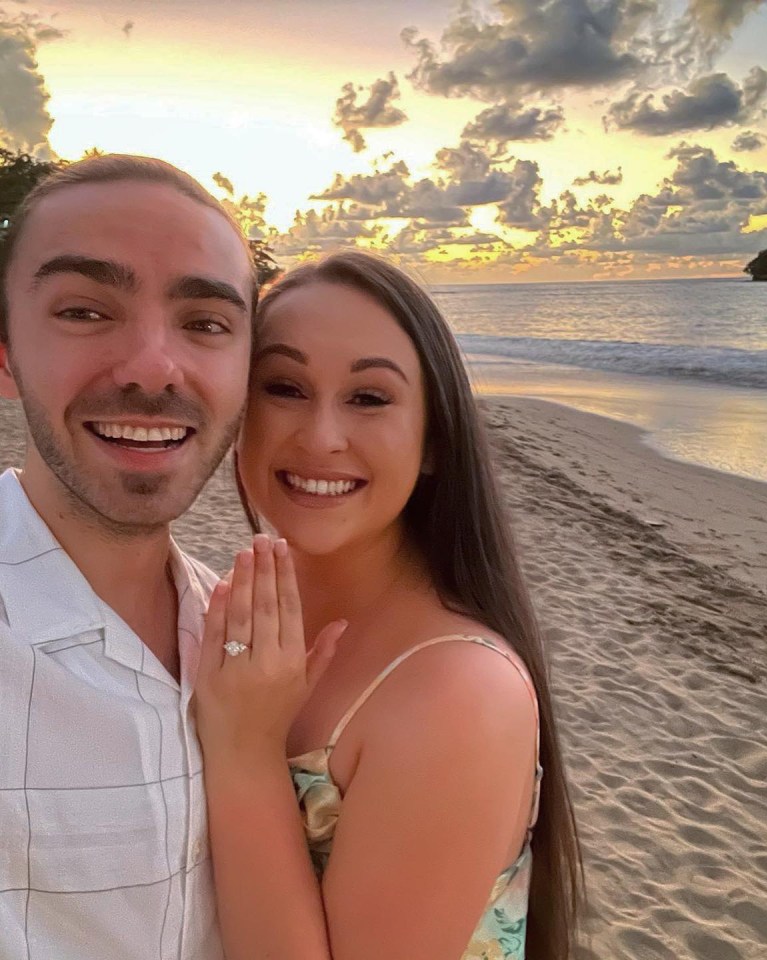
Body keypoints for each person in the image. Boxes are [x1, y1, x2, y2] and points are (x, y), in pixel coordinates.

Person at [194, 251, 583, 960]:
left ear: (434, 440)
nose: (320, 437)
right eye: (283, 387)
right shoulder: (244, 609)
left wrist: (245, 753)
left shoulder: (458, 694)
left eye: (369, 398)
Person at [0, 153, 260, 960]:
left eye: (207, 324)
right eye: (84, 311)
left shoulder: (240, 636)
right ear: (5, 355)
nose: (153, 366)